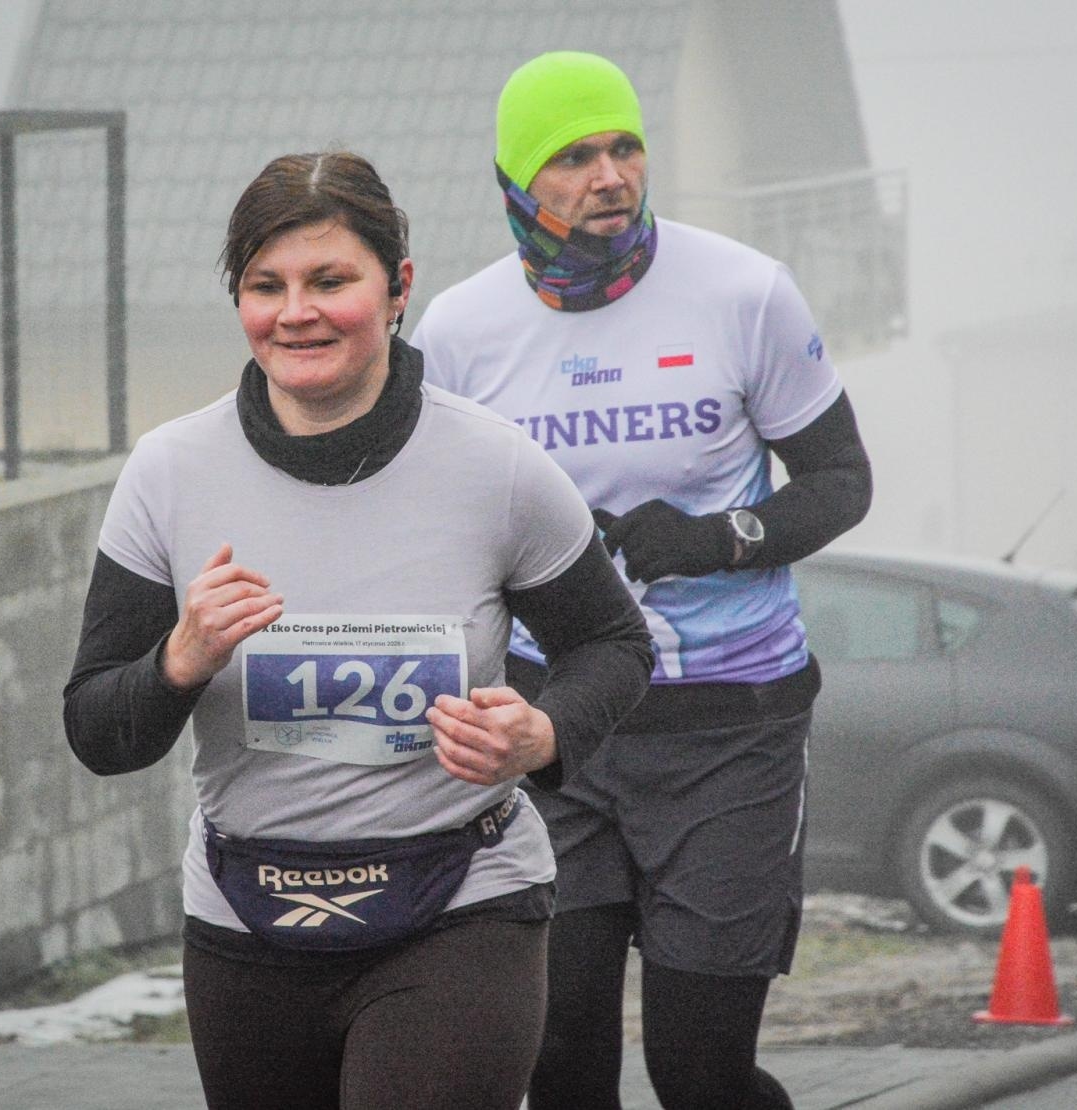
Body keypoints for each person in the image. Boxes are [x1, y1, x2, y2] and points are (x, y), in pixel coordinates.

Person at [62, 150, 652, 1110]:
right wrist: (178, 661)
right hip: (246, 915)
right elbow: (95, 729)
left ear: (397, 289)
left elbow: (615, 647)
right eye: (266, 286)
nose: (296, 312)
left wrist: (542, 734)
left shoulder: (495, 468)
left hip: (461, 902)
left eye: (330, 281)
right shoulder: (170, 472)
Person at [411, 52, 873, 1110]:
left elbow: (842, 481)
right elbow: (437, 525)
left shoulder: (741, 291)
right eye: (573, 157)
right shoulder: (460, 330)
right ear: (519, 184)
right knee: (562, 1063)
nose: (608, 175)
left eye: (624, 147)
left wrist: (721, 537)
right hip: (558, 731)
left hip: (729, 733)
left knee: (698, 1074)